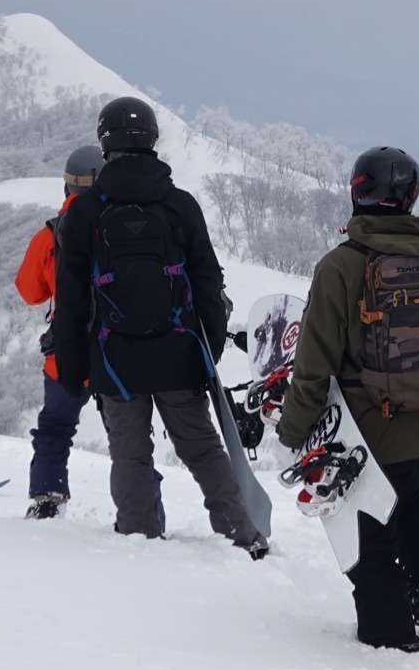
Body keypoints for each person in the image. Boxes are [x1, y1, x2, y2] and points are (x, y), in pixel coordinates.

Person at [274, 147, 419, 651]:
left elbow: (313, 363)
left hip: (367, 430)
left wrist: (293, 432)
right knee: (412, 498)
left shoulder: (341, 266)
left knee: (367, 528)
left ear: (358, 191)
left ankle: (390, 635)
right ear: (412, 196)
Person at [51, 96, 267, 558]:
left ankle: (138, 537)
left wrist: (73, 367)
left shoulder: (85, 212)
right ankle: (242, 535)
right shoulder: (179, 205)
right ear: (151, 138)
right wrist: (206, 348)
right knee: (203, 449)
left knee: (130, 455)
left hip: (115, 359)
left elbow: (70, 299)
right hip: (179, 354)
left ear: (104, 140)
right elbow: (208, 282)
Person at [16, 144, 104, 520]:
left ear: (67, 187)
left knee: (55, 425)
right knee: (131, 438)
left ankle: (48, 496)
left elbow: (30, 292)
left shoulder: (50, 236)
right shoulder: (122, 228)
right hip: (116, 353)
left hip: (65, 353)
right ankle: (142, 511)